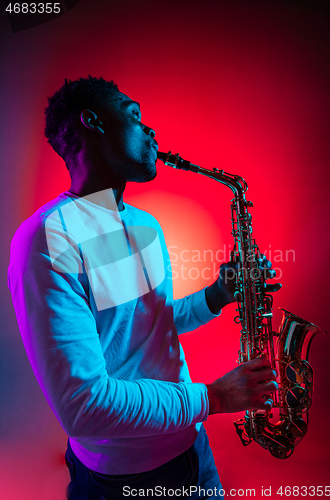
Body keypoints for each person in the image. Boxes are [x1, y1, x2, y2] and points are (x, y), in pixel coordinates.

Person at [8, 76, 279, 500]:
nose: (150, 130)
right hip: (123, 479)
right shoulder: (45, 239)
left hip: (193, 447)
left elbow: (151, 325)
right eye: (134, 116)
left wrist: (219, 294)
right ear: (92, 121)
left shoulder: (144, 225)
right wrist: (215, 396)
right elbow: (86, 408)